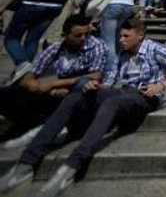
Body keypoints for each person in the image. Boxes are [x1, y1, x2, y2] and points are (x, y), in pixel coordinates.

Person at [0, 18, 166, 196]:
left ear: (140, 36)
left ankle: (72, 166)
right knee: (75, 98)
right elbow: (110, 80)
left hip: (144, 97)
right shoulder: (122, 54)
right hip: (122, 91)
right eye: (120, 36)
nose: (121, 40)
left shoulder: (154, 49)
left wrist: (162, 85)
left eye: (126, 36)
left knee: (112, 103)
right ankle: (25, 163)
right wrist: (96, 88)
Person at [0, 15, 107, 149]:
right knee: (11, 92)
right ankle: (31, 124)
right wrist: (36, 85)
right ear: (65, 35)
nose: (83, 39)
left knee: (82, 83)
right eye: (78, 35)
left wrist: (53, 85)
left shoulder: (96, 45)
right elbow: (29, 77)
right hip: (57, 94)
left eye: (86, 34)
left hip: (82, 92)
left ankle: (56, 126)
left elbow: (95, 76)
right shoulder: (55, 48)